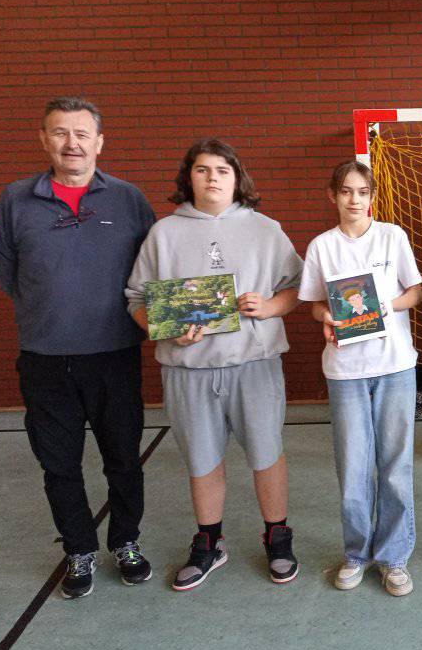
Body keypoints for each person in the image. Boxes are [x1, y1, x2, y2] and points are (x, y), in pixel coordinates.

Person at [0, 97, 155, 599]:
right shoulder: (16, 200)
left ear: (99, 142)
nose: (72, 143)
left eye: (82, 134)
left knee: (123, 458)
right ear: (44, 140)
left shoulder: (128, 199)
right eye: (60, 132)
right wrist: (52, 308)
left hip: (114, 355)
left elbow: (152, 267)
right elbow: (6, 268)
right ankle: (79, 548)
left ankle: (125, 541)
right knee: (59, 464)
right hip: (44, 359)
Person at [126, 139, 303, 589]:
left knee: (266, 453)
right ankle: (209, 541)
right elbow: (137, 300)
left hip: (254, 365)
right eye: (202, 169)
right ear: (189, 177)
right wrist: (164, 329)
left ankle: (277, 535)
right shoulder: (163, 233)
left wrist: (269, 306)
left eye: (222, 170)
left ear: (236, 177)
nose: (212, 178)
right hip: (189, 370)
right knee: (203, 459)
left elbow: (298, 287)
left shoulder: (265, 228)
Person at [299, 161, 422, 597]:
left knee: (395, 467)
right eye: (347, 191)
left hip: (395, 367)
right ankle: (356, 553)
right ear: (333, 196)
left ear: (372, 196)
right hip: (346, 371)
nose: (355, 200)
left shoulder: (392, 236)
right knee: (353, 468)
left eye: (363, 192)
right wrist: (327, 316)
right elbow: (315, 304)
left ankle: (393, 556)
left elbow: (415, 293)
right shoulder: (322, 246)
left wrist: (386, 306)